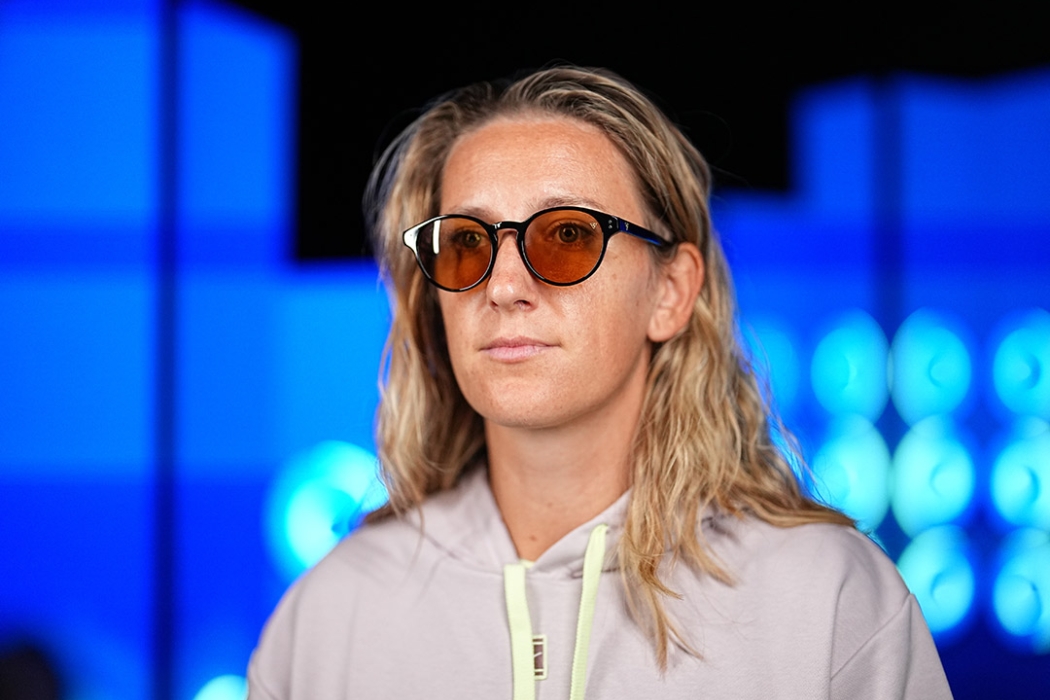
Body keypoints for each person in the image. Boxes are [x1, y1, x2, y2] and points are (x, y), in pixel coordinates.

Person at [247, 66, 953, 699]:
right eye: (465, 241)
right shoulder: (328, 619)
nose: (504, 286)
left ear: (670, 291)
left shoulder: (828, 601)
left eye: (566, 235)